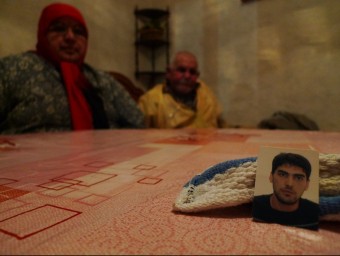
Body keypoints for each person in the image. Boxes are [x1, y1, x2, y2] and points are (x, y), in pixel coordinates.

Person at [0, 3, 144, 134]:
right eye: (59, 29)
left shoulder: (103, 80)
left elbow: (137, 122)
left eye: (78, 31)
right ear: (42, 34)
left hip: (105, 159)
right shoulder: (13, 69)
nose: (70, 37)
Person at [138, 51, 225, 128]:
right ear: (168, 72)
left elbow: (221, 126)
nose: (187, 76)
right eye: (181, 70)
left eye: (192, 72)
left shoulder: (206, 93)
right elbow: (139, 137)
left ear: (197, 76)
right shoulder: (151, 100)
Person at [252, 152, 319, 230]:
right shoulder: (254, 206)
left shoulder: (315, 214)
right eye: (282, 175)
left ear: (307, 184)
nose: (289, 184)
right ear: (271, 177)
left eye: (298, 178)